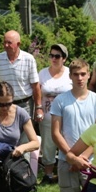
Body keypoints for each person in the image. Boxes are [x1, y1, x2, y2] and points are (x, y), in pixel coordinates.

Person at [50, 59, 96, 192]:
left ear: (89, 75)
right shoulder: (60, 100)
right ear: (70, 76)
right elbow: (55, 132)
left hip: (91, 161)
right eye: (76, 74)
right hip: (66, 160)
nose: (80, 78)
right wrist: (71, 157)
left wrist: (81, 158)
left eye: (83, 74)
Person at [0, 30, 41, 118]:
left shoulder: (29, 59)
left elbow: (35, 85)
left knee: (25, 131)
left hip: (24, 105)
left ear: (18, 44)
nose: (6, 45)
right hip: (4, 105)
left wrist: (38, 107)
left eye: (9, 43)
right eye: (4, 42)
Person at [38, 43, 72, 184]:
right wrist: (38, 108)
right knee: (48, 145)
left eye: (57, 56)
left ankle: (68, 171)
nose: (53, 58)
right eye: (51, 55)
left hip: (67, 117)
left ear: (64, 58)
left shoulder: (70, 73)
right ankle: (48, 174)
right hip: (47, 115)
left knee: (67, 143)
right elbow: (38, 92)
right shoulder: (43, 73)